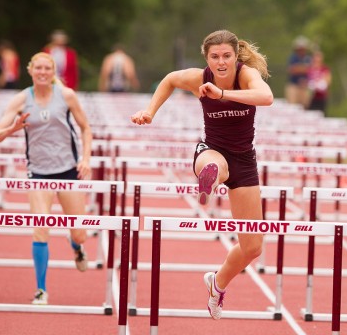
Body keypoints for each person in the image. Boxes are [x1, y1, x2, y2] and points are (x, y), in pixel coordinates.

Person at [130, 30, 273, 320]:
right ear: (206, 58)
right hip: (212, 149)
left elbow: (266, 97)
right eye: (214, 57)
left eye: (226, 56)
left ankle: (216, 283)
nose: (221, 62)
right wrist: (150, 111)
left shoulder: (246, 76)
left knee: (253, 247)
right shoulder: (200, 77)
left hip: (245, 160)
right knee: (215, 165)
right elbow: (170, 79)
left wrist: (222, 93)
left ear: (235, 56)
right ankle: (210, 177)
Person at [0, 52, 93, 305]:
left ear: (53, 71)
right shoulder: (21, 99)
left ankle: (76, 245)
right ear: (30, 70)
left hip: (67, 170)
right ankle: (41, 289)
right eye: (39, 68)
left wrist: (86, 159)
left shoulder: (66, 95)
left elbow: (85, 128)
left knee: (80, 234)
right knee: (40, 231)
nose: (43, 72)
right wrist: (12, 129)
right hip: (37, 172)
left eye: (48, 68)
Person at [285, 36, 311, 109]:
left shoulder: (308, 58)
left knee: (305, 106)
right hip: (294, 85)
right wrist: (303, 68)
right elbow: (292, 70)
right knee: (292, 106)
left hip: (304, 86)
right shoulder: (293, 57)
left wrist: (299, 68)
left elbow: (310, 70)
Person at [307, 50, 332, 114]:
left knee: (321, 112)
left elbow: (328, 81)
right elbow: (307, 80)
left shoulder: (325, 69)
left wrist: (321, 84)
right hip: (311, 96)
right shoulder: (310, 68)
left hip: (322, 96)